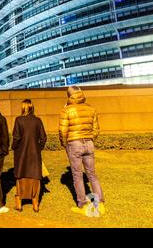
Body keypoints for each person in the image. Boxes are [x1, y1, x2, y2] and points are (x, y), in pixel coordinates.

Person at [59, 85, 105, 215]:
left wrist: (65, 144)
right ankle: (99, 204)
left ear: (69, 95)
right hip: (89, 142)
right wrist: (90, 139)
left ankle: (82, 205)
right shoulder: (91, 109)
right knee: (92, 174)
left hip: (74, 143)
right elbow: (96, 129)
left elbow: (63, 131)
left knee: (77, 176)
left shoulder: (66, 110)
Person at [12, 99, 47, 212]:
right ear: (32, 108)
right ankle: (35, 203)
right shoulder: (38, 121)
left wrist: (14, 147)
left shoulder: (19, 120)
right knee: (35, 177)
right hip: (34, 154)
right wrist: (38, 148)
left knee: (21, 177)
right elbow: (43, 138)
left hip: (21, 153)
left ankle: (19, 204)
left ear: (23, 108)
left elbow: (16, 137)